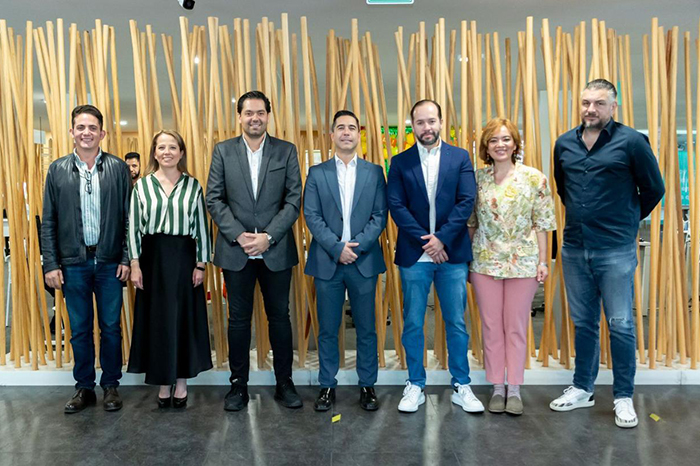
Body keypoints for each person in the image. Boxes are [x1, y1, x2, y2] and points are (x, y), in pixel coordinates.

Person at [551, 79, 665, 428]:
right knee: (584, 322)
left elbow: (654, 188)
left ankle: (623, 396)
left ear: (613, 107)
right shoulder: (564, 144)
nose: (591, 109)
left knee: (621, 323)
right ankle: (583, 388)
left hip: (615, 247)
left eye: (599, 103)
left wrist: (626, 220)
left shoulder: (632, 141)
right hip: (574, 246)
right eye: (586, 102)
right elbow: (564, 188)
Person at [206, 91, 303, 411]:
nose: (255, 118)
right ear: (239, 117)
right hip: (236, 252)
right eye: (248, 113)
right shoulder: (223, 151)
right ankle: (238, 386)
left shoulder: (286, 151)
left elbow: (293, 200)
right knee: (238, 321)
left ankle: (285, 383)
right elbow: (214, 198)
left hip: (276, 251)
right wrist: (239, 235)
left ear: (268, 116)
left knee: (280, 318)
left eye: (260, 113)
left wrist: (268, 237)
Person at [387, 99, 483, 414]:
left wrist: (441, 238)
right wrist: (427, 242)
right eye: (420, 122)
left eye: (431, 121)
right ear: (412, 126)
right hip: (415, 256)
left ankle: (461, 384)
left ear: (441, 122)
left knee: (456, 321)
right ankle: (415, 383)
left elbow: (466, 200)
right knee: (413, 322)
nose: (426, 127)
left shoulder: (460, 157)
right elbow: (396, 205)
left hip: (451, 254)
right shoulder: (400, 162)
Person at [41, 104, 131, 413]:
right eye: (80, 127)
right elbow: (49, 221)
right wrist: (51, 264)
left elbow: (128, 217)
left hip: (110, 262)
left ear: (102, 133)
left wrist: (126, 258)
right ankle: (84, 387)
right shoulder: (57, 170)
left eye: (92, 127)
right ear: (72, 132)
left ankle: (111, 386)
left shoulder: (118, 169)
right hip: (73, 263)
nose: (86, 132)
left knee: (111, 327)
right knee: (79, 329)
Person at [467, 118, 555, 415]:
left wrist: (543, 261)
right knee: (491, 326)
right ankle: (497, 386)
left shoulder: (534, 178)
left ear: (515, 143)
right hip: (484, 262)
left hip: (524, 263)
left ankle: (514, 387)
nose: (500, 145)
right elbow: (471, 223)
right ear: (486, 146)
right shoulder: (477, 179)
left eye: (506, 139)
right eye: (493, 140)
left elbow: (542, 224)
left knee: (516, 326)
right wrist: (468, 259)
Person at [304, 110, 388, 412]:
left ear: (358, 134)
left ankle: (367, 385)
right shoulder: (317, 173)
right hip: (328, 262)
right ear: (332, 135)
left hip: (363, 262)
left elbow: (380, 215)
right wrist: (336, 247)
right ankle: (327, 384)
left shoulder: (374, 172)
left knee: (366, 327)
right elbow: (311, 215)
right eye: (340, 127)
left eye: (352, 127)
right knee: (327, 328)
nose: (346, 132)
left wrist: (358, 246)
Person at [127, 130, 212, 408]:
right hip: (152, 260)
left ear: (181, 152)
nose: (167, 152)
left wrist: (200, 264)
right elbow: (133, 227)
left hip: (184, 259)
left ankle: (182, 382)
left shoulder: (193, 186)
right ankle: (164, 382)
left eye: (173, 147)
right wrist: (135, 264)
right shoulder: (142, 187)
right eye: (161, 147)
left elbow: (202, 227)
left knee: (183, 319)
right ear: (154, 152)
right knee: (158, 321)